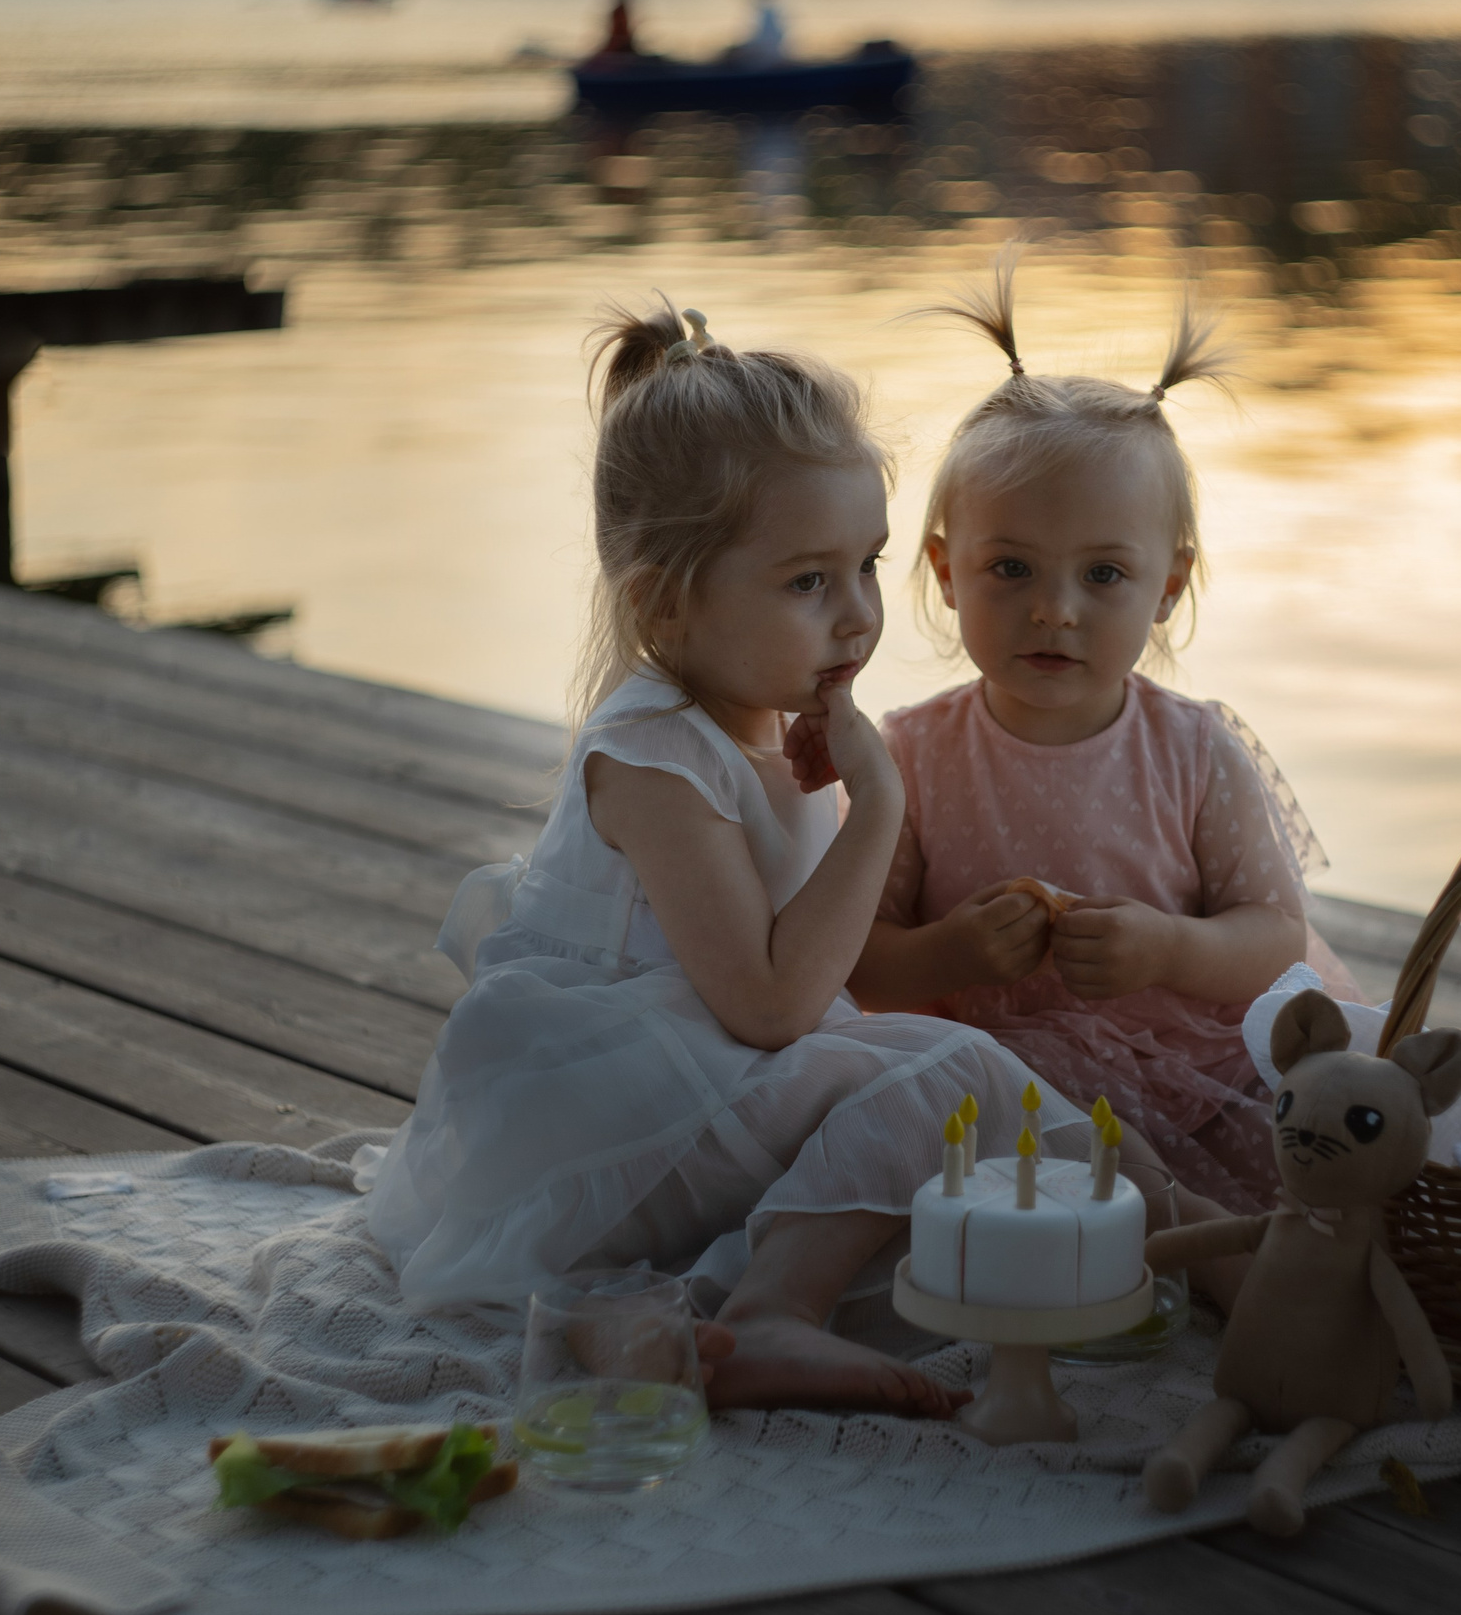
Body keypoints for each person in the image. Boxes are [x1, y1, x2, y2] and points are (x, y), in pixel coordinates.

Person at [364, 302, 1105, 1418]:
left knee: (951, 1089)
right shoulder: (656, 755)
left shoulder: (766, 717)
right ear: (666, 603)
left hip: (701, 1097)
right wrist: (880, 805)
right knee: (949, 1074)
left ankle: (1211, 1250)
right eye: (808, 583)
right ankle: (768, 1314)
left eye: (867, 564)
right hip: (605, 1120)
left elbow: (824, 983)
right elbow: (771, 1008)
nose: (857, 616)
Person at [852, 253, 1364, 1219]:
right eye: (1010, 568)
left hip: (1193, 1068)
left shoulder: (1195, 749)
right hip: (996, 1084)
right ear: (945, 569)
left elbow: (1272, 936)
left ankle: (1199, 1235)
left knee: (1332, 1155)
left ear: (1166, 585)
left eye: (1103, 575)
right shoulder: (911, 754)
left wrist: (1168, 948)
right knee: (890, 1131)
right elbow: (860, 955)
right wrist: (951, 952)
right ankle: (1173, 1233)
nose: (1054, 611)